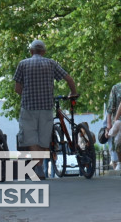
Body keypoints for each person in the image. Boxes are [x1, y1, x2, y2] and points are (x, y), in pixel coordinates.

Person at [13, 39, 77, 179]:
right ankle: (40, 165)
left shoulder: (23, 64)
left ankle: (38, 167)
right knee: (44, 138)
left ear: (31, 51)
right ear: (44, 52)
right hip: (47, 107)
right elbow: (69, 79)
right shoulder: (51, 63)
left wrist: (28, 93)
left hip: (29, 107)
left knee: (31, 139)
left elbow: (17, 89)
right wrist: (73, 92)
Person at [106, 68, 121, 169]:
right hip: (118, 118)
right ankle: (118, 162)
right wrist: (108, 124)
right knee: (118, 140)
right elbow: (110, 107)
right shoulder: (116, 88)